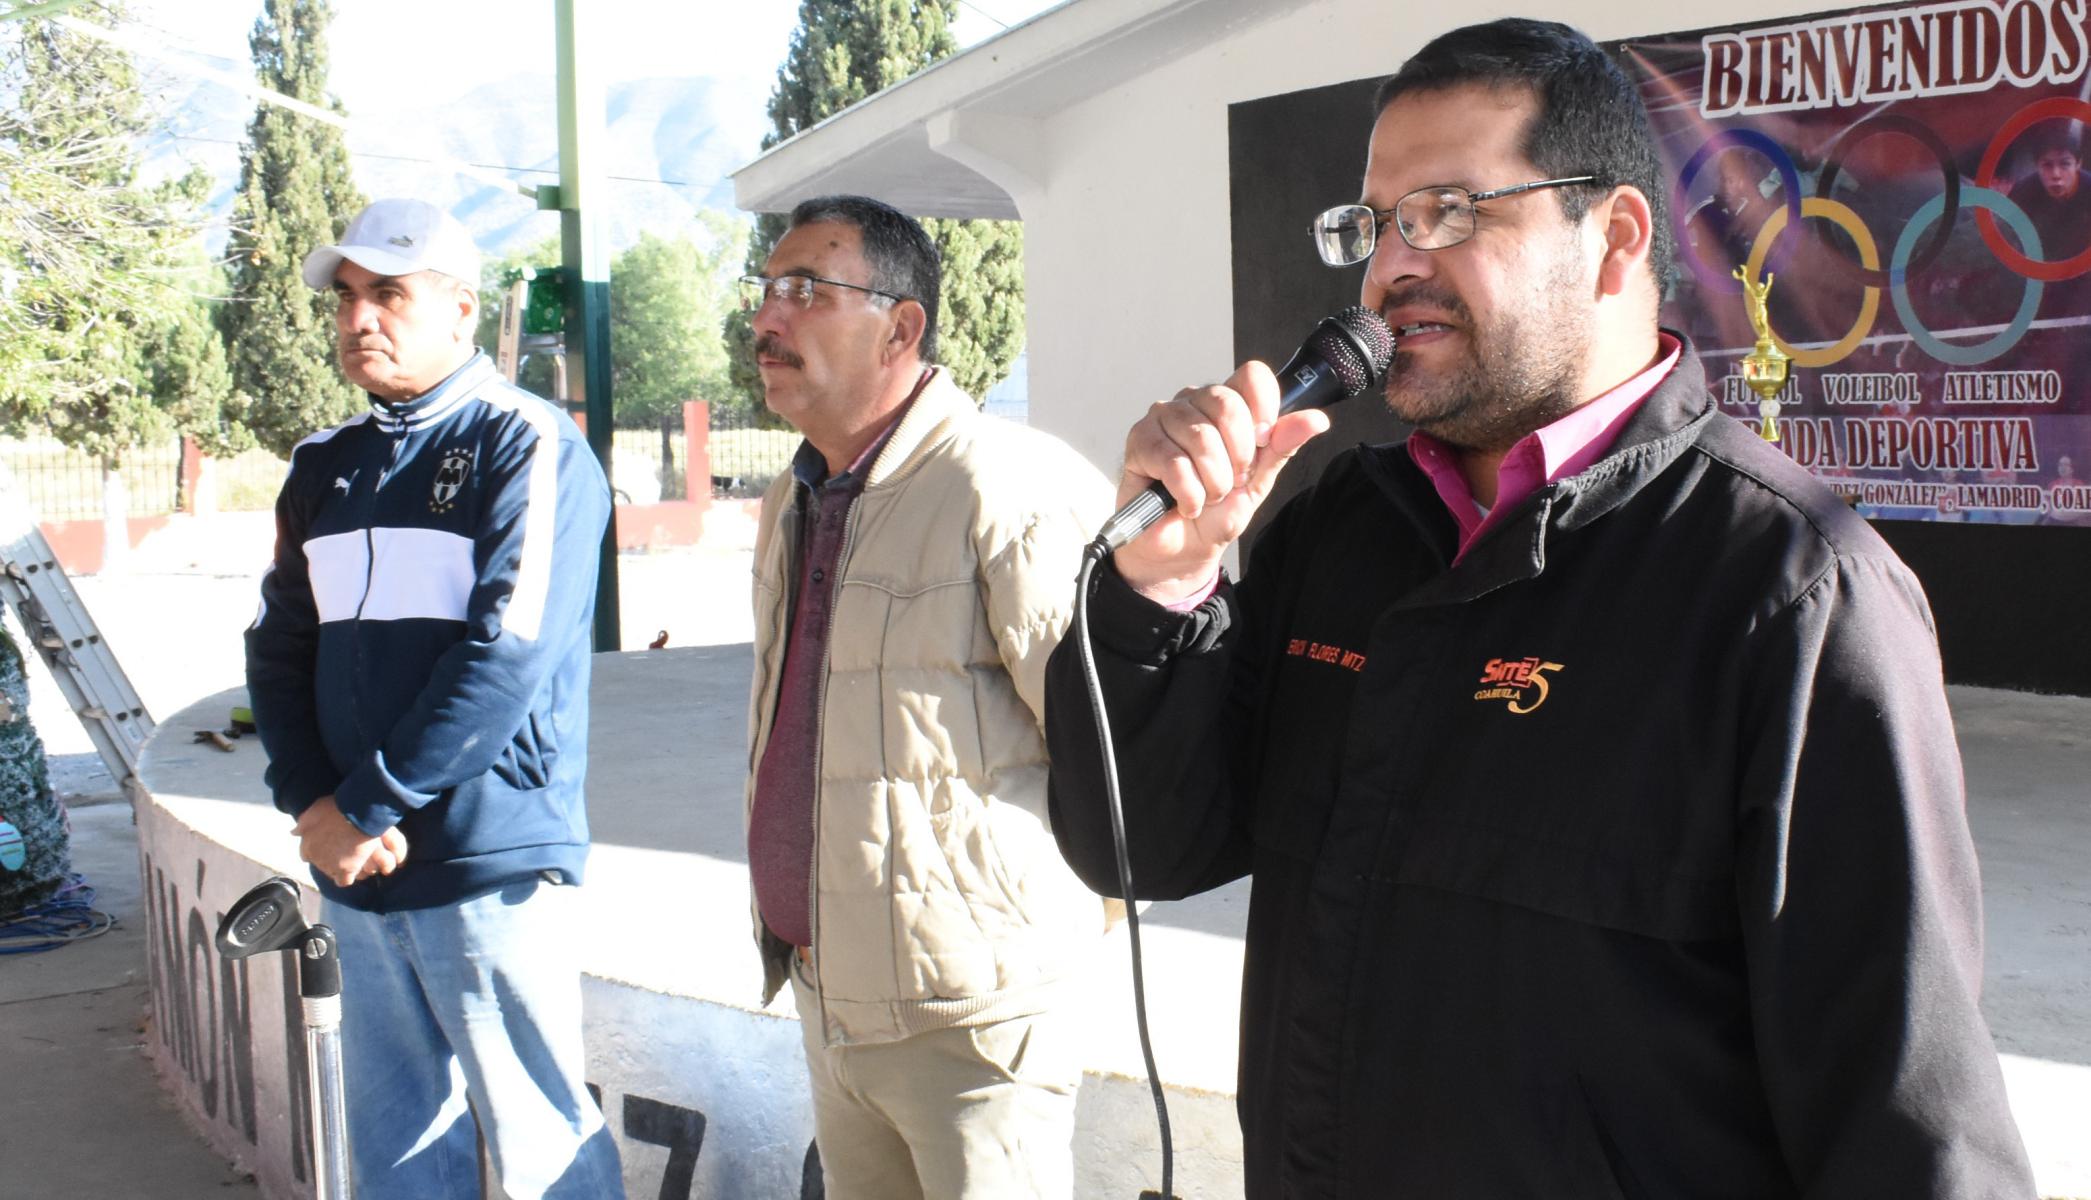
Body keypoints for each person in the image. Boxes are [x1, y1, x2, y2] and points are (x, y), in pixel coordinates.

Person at [1043, 19, 2034, 1197]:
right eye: (1375, 224)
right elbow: (1138, 846)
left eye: (1450, 211)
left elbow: (1908, 1130)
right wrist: (1165, 587)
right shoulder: (1337, 534)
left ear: (1613, 238)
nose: (1389, 268)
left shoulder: (1795, 594)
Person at [244, 198, 623, 1199]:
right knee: (401, 1157)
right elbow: (281, 647)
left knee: (546, 1153)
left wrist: (367, 804)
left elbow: (510, 652)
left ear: (460, 310)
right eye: (347, 298)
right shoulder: (324, 468)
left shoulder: (527, 443)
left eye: (389, 294)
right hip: (357, 870)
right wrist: (313, 808)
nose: (360, 319)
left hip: (482, 861)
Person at [741, 194, 1115, 1200]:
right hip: (827, 996)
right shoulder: (796, 493)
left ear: (901, 325)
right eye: (767, 290)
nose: (768, 319)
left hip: (971, 1027)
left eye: (807, 291)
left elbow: (1119, 756)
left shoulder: (1007, 485)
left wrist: (1018, 959)